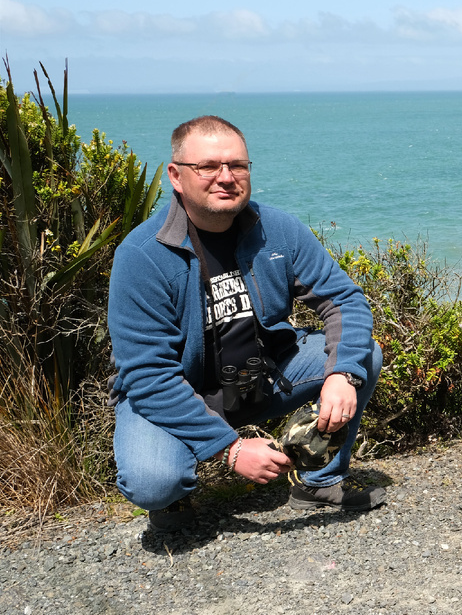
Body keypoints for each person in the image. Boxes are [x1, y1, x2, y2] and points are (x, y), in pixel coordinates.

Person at [108, 115, 386, 532]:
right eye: (208, 167)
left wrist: (343, 374)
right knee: (154, 482)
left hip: (261, 379)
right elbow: (148, 375)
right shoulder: (143, 256)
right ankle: (173, 502)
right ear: (176, 176)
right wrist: (231, 450)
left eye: (237, 165)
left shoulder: (277, 230)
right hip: (181, 392)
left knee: (365, 354)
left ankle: (319, 479)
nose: (226, 177)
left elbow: (343, 299)